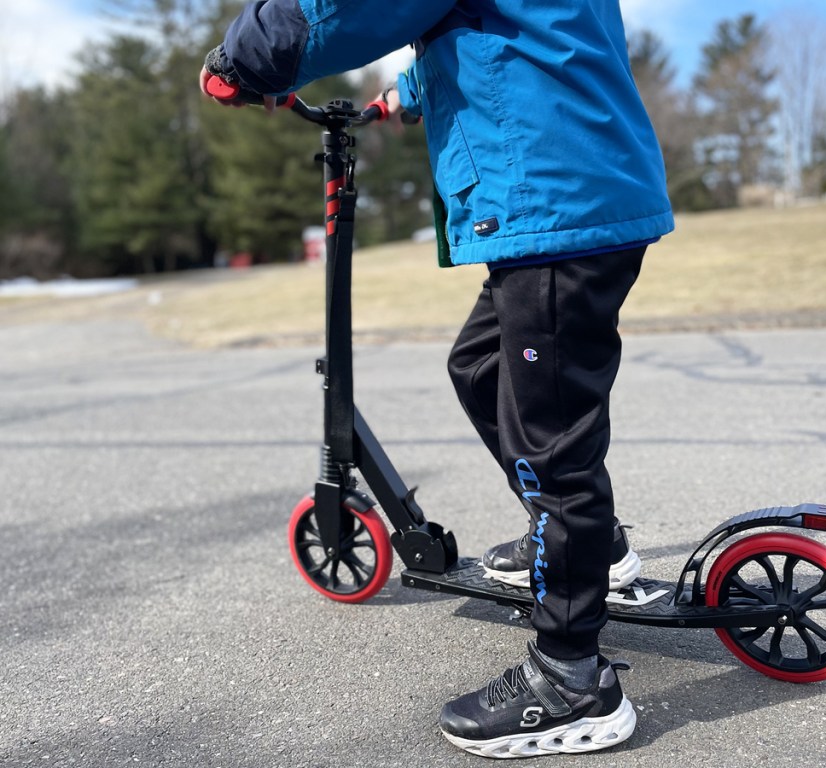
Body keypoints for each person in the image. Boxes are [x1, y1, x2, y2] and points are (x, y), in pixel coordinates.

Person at [200, 0, 674, 757]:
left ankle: (571, 679)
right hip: (572, 187)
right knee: (480, 365)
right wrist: (402, 98)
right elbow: (506, 31)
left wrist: (246, 59)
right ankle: (596, 554)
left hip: (554, 201)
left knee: (550, 440)